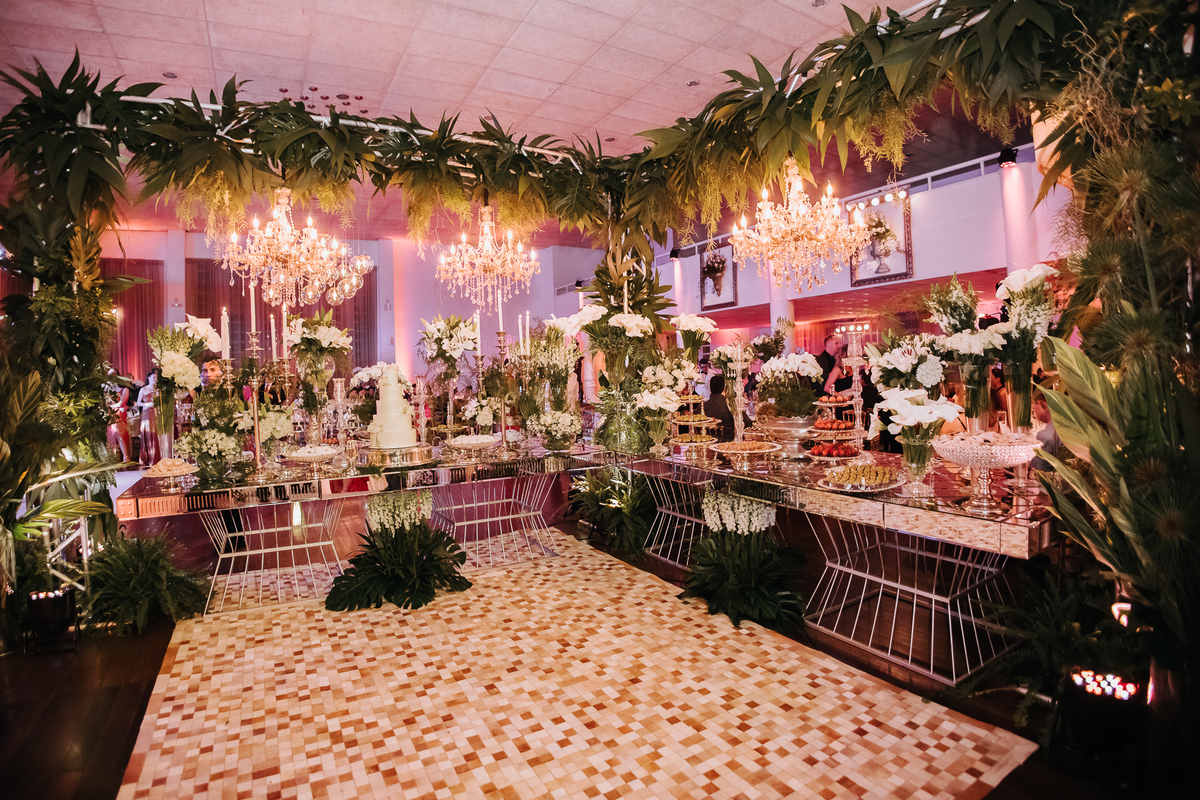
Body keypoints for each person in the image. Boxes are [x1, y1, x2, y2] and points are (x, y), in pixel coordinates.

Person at [703, 374, 752, 443]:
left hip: (707, 443)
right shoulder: (730, 405)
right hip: (728, 444)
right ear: (725, 388)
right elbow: (748, 423)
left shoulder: (702, 407)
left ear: (710, 387)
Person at [1029, 390, 1062, 472]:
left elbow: (1039, 468)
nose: (1035, 412)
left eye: (1034, 408)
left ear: (1040, 403)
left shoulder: (1047, 435)